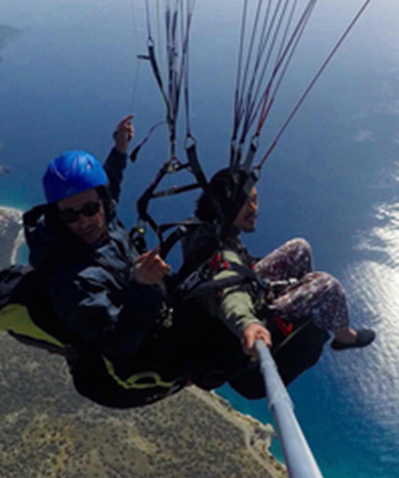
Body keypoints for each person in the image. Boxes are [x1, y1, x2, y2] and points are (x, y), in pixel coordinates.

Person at [24, 115, 188, 408]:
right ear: (57, 217)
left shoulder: (102, 216)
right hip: (118, 377)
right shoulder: (70, 279)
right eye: (71, 215)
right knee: (217, 346)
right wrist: (142, 286)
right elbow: (118, 345)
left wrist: (120, 149)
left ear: (102, 202)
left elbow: (109, 183)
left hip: (141, 316)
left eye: (90, 208)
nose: (84, 221)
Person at [179, 168, 374, 385]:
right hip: (238, 330)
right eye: (247, 203)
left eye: (255, 200)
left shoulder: (207, 226)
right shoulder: (221, 254)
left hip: (238, 292)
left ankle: (295, 303)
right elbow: (230, 294)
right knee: (328, 286)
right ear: (225, 205)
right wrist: (248, 325)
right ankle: (344, 337)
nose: (254, 209)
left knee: (299, 249)